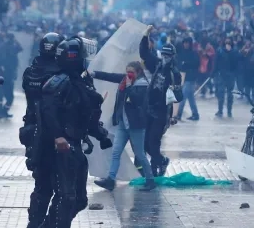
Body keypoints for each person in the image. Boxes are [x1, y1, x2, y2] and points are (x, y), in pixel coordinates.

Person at [39, 36, 112, 228]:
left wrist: (101, 135)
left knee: (80, 199)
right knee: (67, 197)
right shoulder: (58, 82)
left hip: (76, 146)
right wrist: (58, 136)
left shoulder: (80, 83)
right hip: (62, 147)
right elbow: (47, 111)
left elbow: (87, 115)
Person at [20, 32, 64, 228]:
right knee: (62, 186)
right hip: (55, 133)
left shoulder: (30, 72)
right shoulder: (60, 76)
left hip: (33, 131)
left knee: (41, 184)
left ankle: (35, 223)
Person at [90, 61, 156, 191]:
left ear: (138, 72)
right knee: (116, 152)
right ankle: (111, 179)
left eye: (131, 72)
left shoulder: (143, 85)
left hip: (136, 125)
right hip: (123, 123)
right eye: (127, 72)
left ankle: (150, 179)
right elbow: (111, 76)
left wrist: (129, 86)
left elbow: (137, 100)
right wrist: (94, 73)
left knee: (139, 154)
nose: (128, 75)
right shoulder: (125, 81)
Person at [139, 25, 182, 177]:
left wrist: (174, 89)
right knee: (145, 143)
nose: (165, 59)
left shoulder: (174, 73)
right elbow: (144, 54)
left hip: (162, 112)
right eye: (163, 55)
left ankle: (155, 169)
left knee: (153, 141)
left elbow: (179, 97)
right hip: (150, 108)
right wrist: (145, 36)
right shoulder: (157, 65)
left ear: (172, 57)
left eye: (167, 57)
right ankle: (161, 160)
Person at [176, 37, 200, 121]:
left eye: (187, 43)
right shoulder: (181, 53)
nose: (186, 44)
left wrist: (186, 64)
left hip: (190, 78)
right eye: (184, 43)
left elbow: (197, 64)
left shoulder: (194, 54)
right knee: (190, 97)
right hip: (183, 77)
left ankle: (178, 114)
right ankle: (195, 114)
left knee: (183, 96)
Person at [213, 37, 239, 118]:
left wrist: (230, 52)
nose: (227, 42)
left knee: (230, 94)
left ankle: (229, 111)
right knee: (220, 94)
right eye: (226, 41)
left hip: (230, 76)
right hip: (222, 75)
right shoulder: (220, 50)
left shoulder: (234, 51)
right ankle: (220, 110)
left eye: (229, 41)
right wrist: (213, 72)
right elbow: (216, 62)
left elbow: (236, 63)